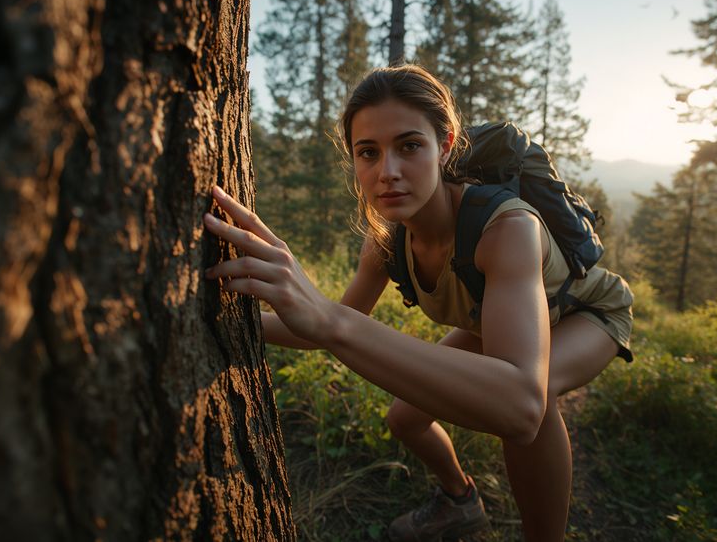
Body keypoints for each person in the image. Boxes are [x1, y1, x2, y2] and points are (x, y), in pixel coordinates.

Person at [202, 64, 634, 541]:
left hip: (584, 313)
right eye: (368, 152)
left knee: (539, 394)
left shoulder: (506, 228)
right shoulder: (386, 244)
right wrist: (219, 314)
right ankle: (460, 500)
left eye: (409, 146)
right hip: (492, 321)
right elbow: (326, 326)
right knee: (404, 419)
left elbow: (520, 405)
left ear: (445, 144)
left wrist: (331, 322)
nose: (387, 172)